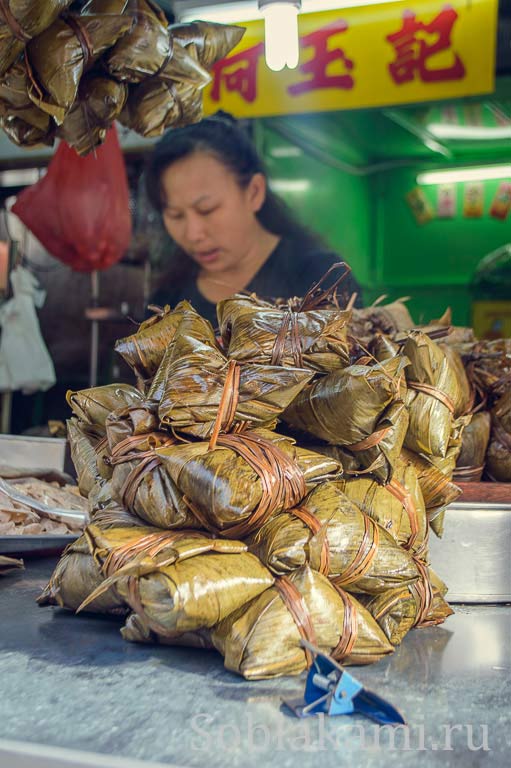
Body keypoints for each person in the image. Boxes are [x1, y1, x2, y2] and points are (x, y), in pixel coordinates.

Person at [146, 113, 362, 326]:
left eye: (207, 209)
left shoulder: (321, 278)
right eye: (175, 215)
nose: (193, 234)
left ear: (254, 193)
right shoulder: (167, 301)